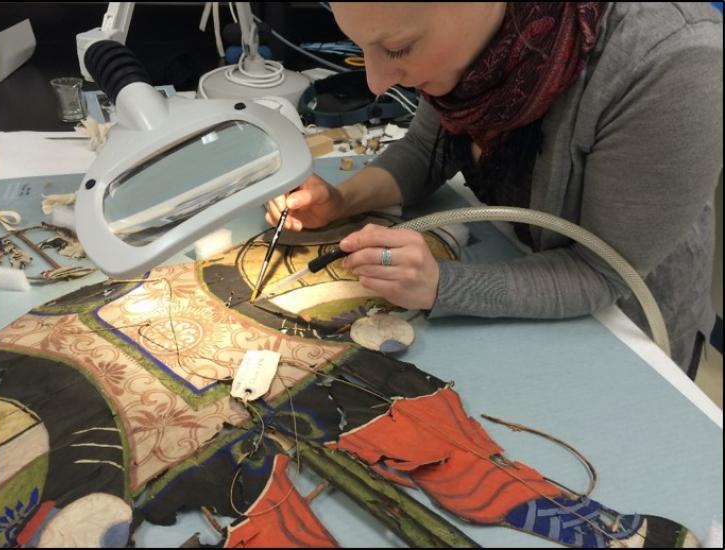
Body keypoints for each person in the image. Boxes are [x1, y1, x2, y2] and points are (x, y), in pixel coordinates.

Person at [265, 2, 723, 376]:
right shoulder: (485, 42)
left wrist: (442, 285)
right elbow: (431, 146)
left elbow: (601, 271)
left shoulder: (674, 62)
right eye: (363, 47)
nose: (376, 82)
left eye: (398, 48)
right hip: (519, 268)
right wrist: (342, 200)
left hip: (625, 328)